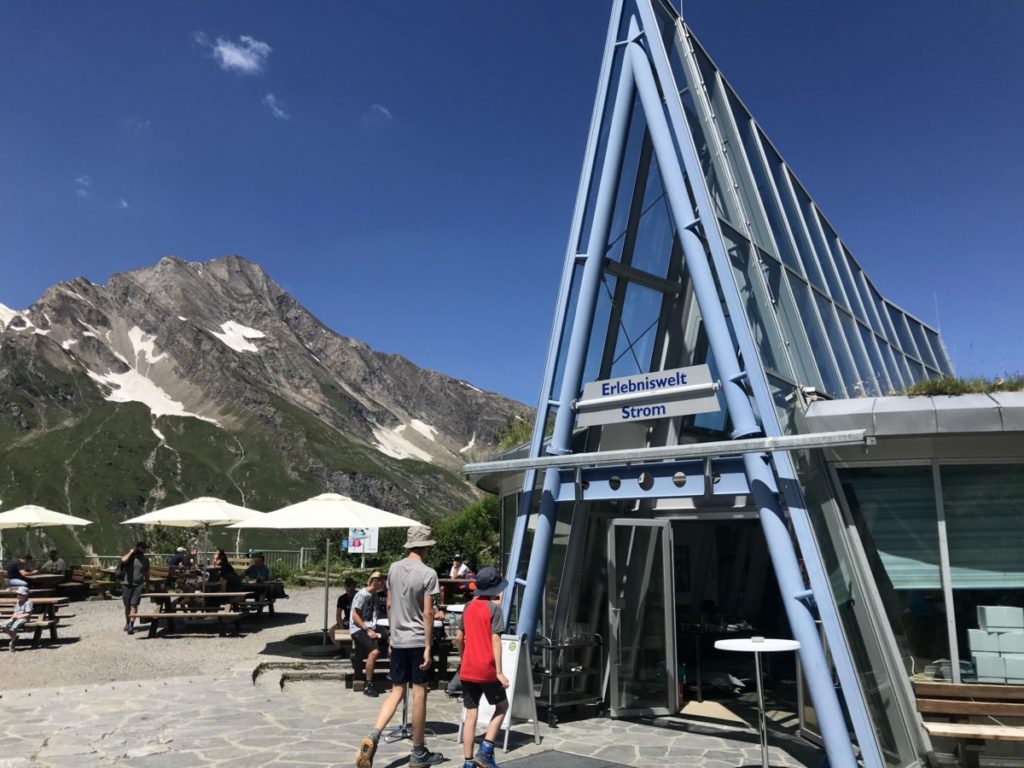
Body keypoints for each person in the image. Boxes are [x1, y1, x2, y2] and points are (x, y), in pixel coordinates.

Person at [356, 525, 444, 768]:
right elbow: (427, 613)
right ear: (426, 546)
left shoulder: (394, 569)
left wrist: (393, 637)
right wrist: (427, 646)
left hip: (398, 639)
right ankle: (418, 752)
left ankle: (373, 735)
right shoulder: (429, 574)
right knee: (419, 694)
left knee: (396, 691)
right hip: (417, 640)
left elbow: (391, 605)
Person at [455, 567, 509, 768]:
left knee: (471, 714)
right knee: (502, 706)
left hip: (468, 669)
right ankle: (486, 750)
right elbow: (496, 639)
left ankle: (468, 763)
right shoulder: (494, 609)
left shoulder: (468, 606)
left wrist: (463, 658)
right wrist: (499, 672)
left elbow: (459, 637)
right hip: (486, 669)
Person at [120, 541, 150, 635]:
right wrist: (130, 552)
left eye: (145, 548)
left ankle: (131, 625)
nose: (144, 550)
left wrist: (147, 583)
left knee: (134, 605)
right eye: (142, 548)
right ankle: (127, 622)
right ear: (137, 548)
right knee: (127, 606)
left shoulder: (145, 559)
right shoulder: (131, 557)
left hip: (138, 585)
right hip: (127, 584)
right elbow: (123, 560)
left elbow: (146, 572)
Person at [2, 586, 34, 652]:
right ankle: (14, 639)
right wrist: (13, 617)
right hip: (16, 618)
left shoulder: (28, 602)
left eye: (20, 594)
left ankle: (12, 642)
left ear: (25, 595)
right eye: (17, 594)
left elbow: (28, 614)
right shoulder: (18, 602)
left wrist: (19, 617)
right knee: (3, 625)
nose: (18, 596)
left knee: (13, 628)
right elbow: (15, 612)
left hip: (24, 619)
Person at [330, 578, 357, 647]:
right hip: (347, 621)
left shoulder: (359, 596)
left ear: (354, 587)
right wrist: (342, 627)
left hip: (357, 621)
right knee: (332, 631)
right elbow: (338, 615)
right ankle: (340, 649)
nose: (349, 591)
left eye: (351, 588)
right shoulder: (342, 598)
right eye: (347, 588)